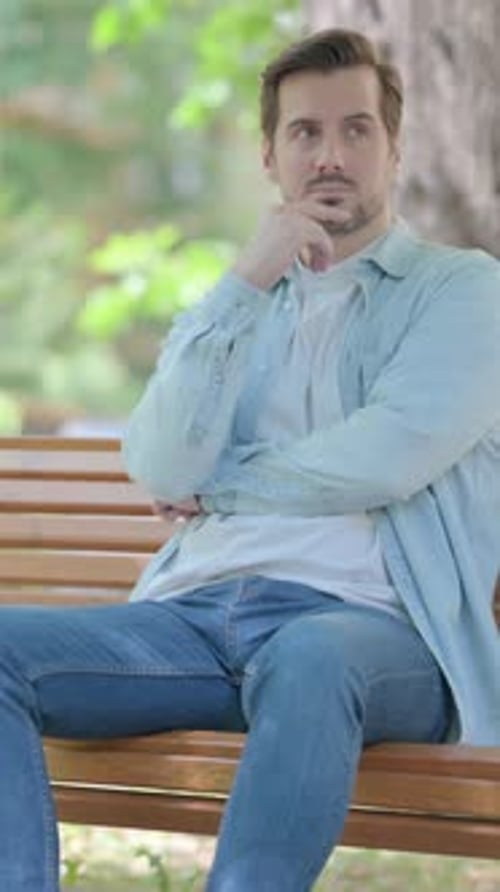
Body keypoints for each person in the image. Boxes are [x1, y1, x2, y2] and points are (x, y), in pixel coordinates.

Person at [1, 28, 499, 892]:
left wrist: (222, 487)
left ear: (394, 147)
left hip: (375, 634)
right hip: (195, 623)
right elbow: (160, 461)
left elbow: (386, 457)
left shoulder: (462, 289)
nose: (331, 155)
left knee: (309, 656)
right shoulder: (244, 306)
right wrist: (244, 281)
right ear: (269, 156)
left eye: (356, 131)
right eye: (306, 133)